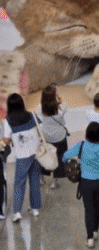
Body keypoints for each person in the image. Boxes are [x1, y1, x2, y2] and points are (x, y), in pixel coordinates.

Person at [62, 122, 99, 248]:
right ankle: (95, 231)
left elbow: (65, 156)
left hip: (86, 182)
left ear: (87, 134)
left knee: (88, 209)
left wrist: (68, 161)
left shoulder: (82, 145)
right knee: (97, 206)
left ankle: (90, 238)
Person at [1, 93, 43, 223]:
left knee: (19, 184)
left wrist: (3, 142)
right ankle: (35, 208)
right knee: (35, 181)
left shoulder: (8, 120)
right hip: (36, 153)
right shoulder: (31, 115)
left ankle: (18, 212)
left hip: (22, 156)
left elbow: (7, 139)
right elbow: (40, 129)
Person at [38, 84, 68, 190]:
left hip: (46, 137)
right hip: (59, 137)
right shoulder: (61, 107)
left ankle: (41, 178)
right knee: (59, 158)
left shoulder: (40, 107)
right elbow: (64, 104)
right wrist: (58, 96)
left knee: (44, 156)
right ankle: (54, 181)